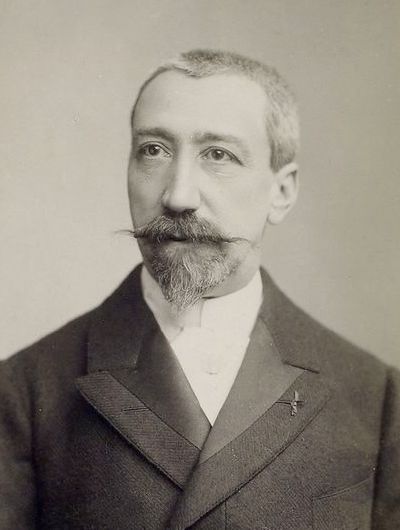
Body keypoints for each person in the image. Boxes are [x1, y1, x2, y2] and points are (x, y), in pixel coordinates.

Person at [0, 49, 399, 530]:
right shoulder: (24, 390)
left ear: (282, 192)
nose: (178, 196)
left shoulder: (377, 397)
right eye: (153, 150)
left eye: (219, 155)